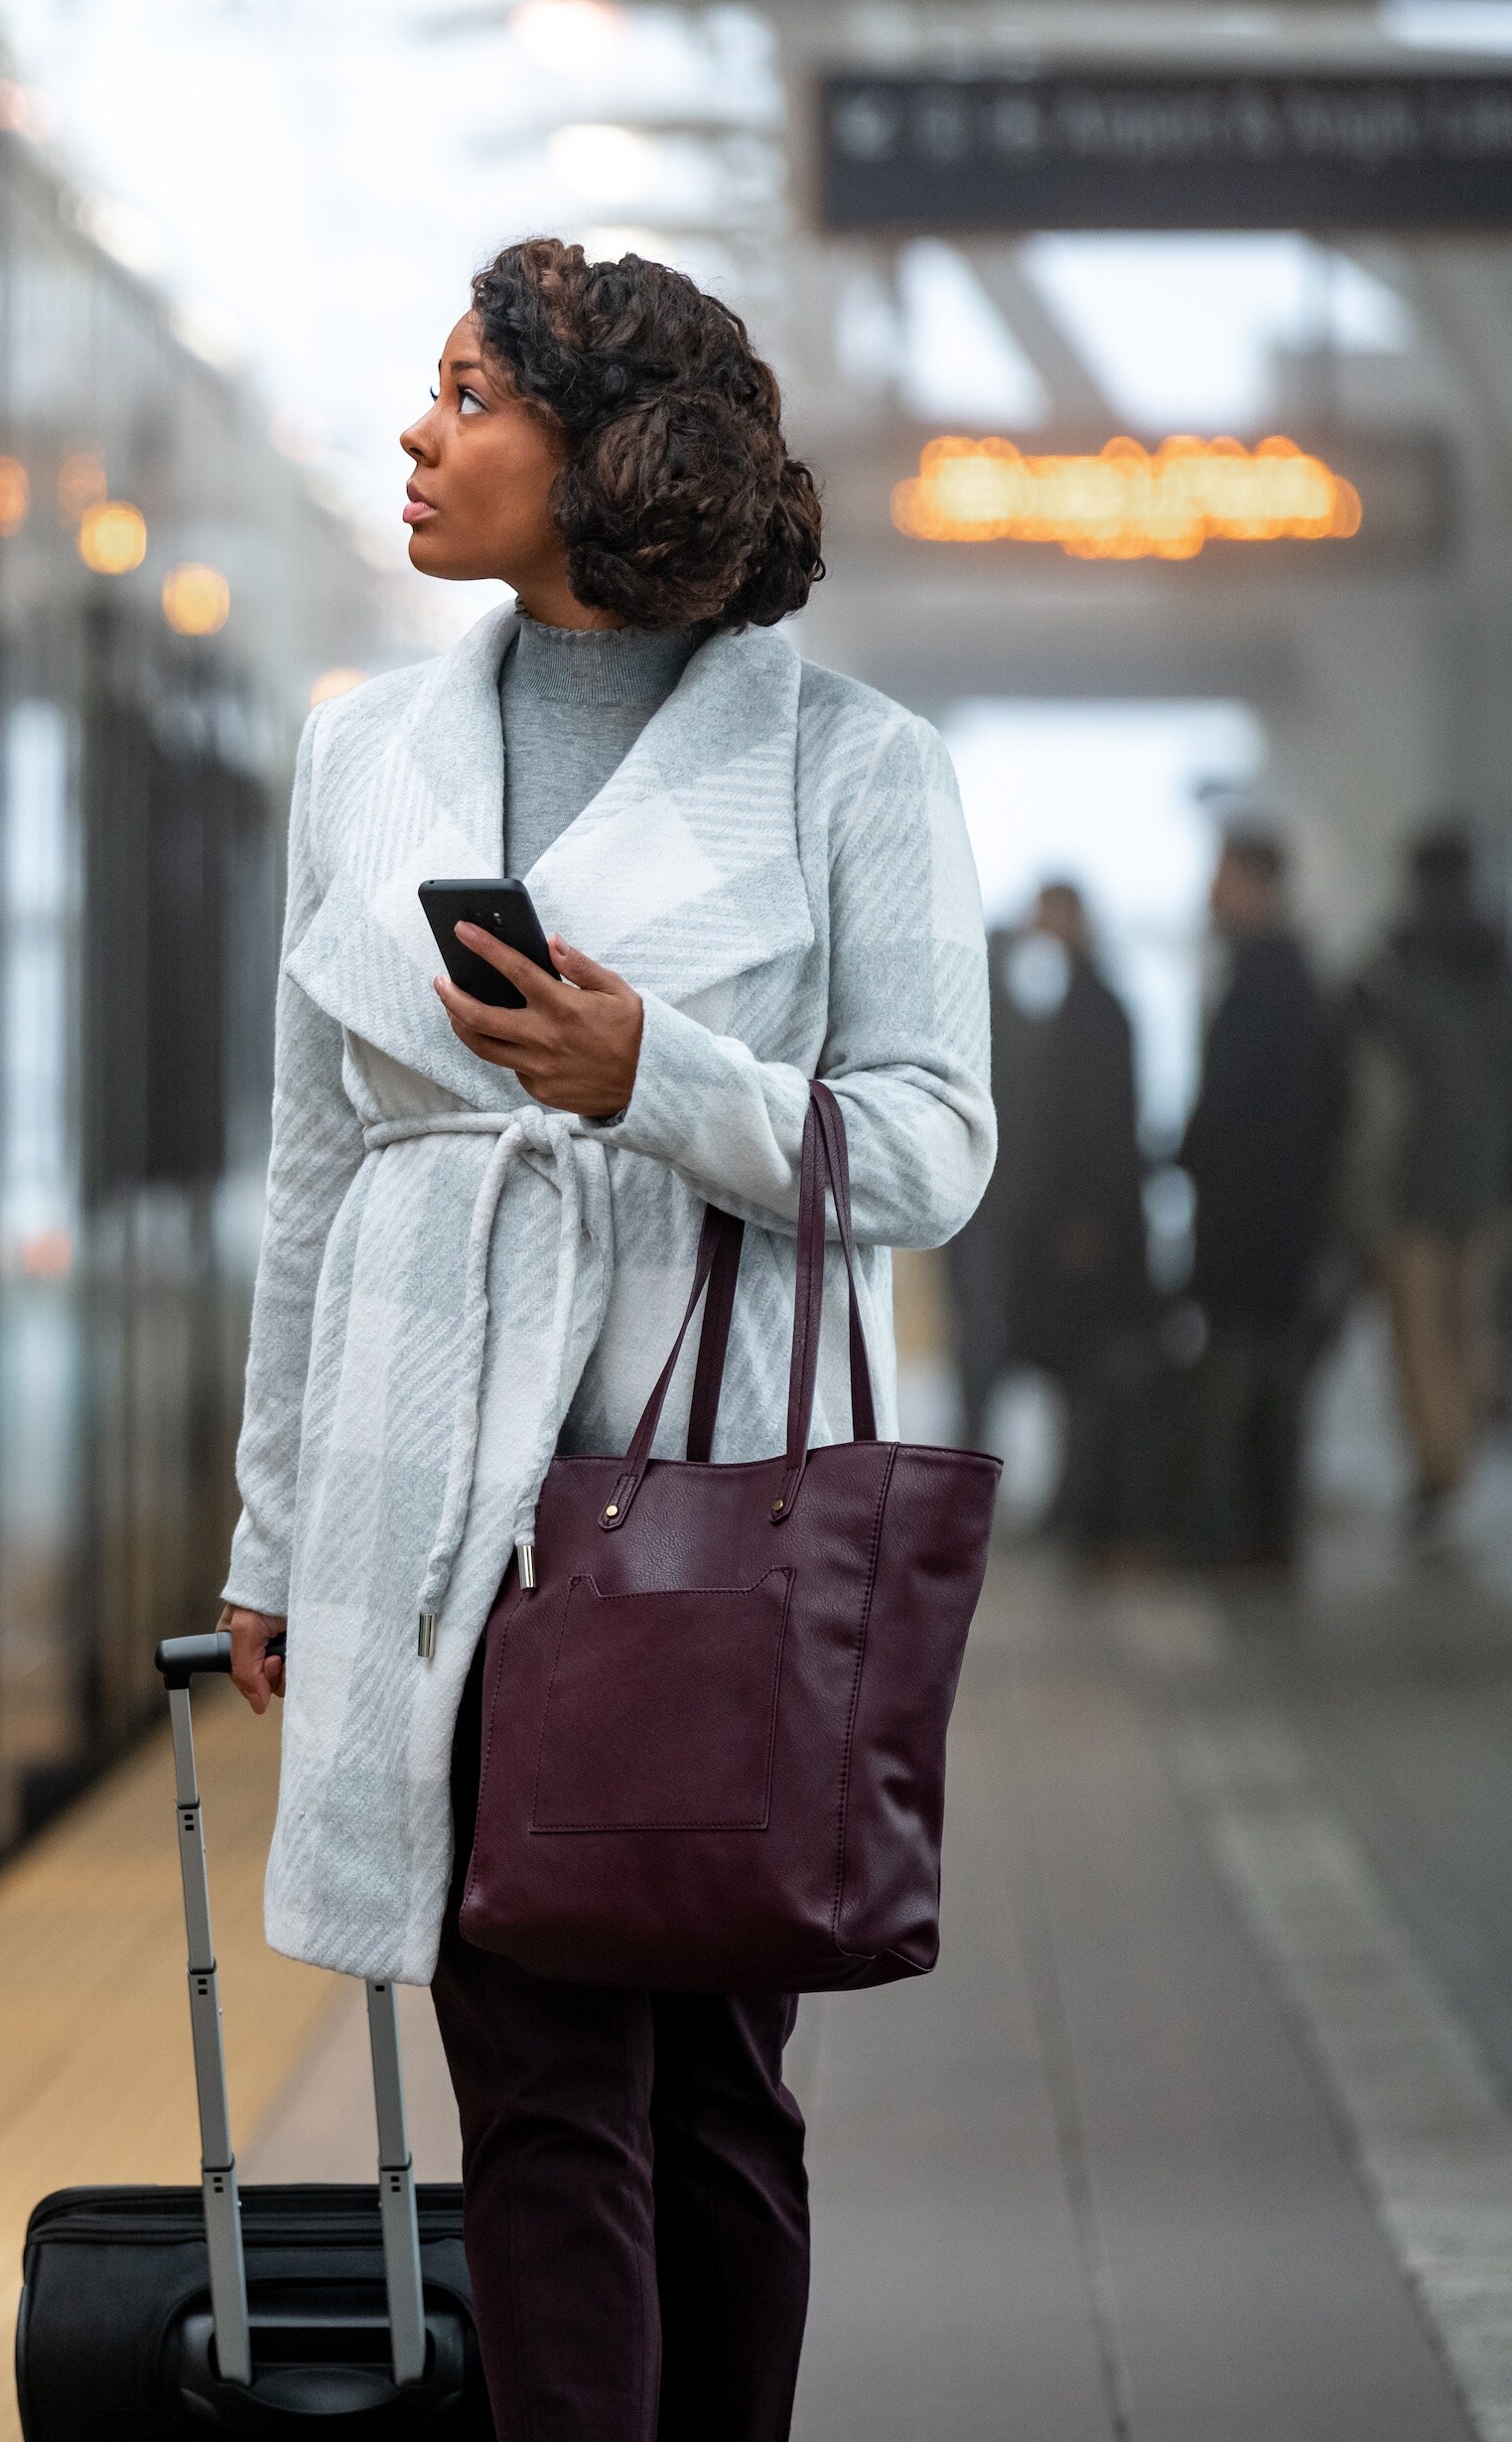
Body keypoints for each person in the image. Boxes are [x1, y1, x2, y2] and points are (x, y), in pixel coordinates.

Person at [211, 238, 994, 2442]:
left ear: (606, 458)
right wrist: (271, 1531)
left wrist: (659, 1076)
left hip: (708, 1519)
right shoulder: (362, 754)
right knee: (540, 2092)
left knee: (718, 2089)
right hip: (427, 1508)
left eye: (473, 393)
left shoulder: (854, 767)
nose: (419, 429)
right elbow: (311, 1169)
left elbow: (933, 1149)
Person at [1348, 825, 1512, 1524]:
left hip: (1410, 1186)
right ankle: (1456, 1457)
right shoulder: (1506, 971)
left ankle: (1437, 1464)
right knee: (1469, 1328)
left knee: (1418, 1334)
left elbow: (1370, 1092)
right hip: (1484, 1182)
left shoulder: (1394, 973)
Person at [1173, 830, 1340, 1572]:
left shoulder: (1271, 982)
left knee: (1247, 1386)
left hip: (1259, 1232)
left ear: (1258, 884)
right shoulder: (1283, 975)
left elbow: (1260, 1117)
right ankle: (1257, 1536)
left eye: (1223, 877)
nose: (1212, 893)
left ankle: (1241, 1535)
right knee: (1264, 1386)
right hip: (1270, 1229)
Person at [984, 882, 1162, 1563]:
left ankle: (1092, 1506)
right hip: (1077, 1221)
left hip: (1085, 1227)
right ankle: (1079, 1502)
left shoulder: (1095, 1009)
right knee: (1074, 1372)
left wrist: (1086, 1219)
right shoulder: (1085, 1002)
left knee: (1087, 1371)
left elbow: (1102, 1124)